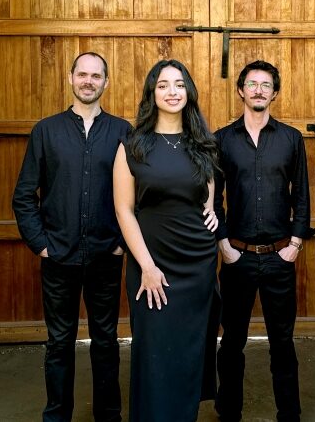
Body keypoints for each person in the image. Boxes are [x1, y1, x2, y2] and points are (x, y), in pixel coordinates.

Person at [12, 52, 130, 422]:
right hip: (59, 256)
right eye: (82, 74)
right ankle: (57, 416)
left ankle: (108, 415)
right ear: (70, 78)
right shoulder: (46, 131)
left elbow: (138, 194)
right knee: (60, 342)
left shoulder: (123, 132)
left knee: (106, 340)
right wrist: (41, 245)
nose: (88, 81)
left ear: (106, 82)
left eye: (96, 76)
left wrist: (121, 243)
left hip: (105, 254)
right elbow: (24, 195)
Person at [112, 59, 221, 422]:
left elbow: (207, 183)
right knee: (155, 352)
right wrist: (146, 266)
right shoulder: (132, 145)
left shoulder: (203, 143)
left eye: (179, 84)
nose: (172, 92)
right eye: (163, 85)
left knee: (189, 353)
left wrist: (210, 207)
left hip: (197, 264)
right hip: (152, 264)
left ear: (188, 92)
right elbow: (124, 210)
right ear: (152, 94)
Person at [213, 60, 311, 422]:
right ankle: (229, 411)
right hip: (237, 257)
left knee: (282, 343)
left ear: (274, 93)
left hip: (278, 257)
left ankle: (289, 414)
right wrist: (224, 245)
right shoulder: (222, 140)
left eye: (265, 85)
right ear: (241, 91)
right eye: (252, 84)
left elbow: (302, 195)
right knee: (232, 341)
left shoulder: (290, 139)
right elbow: (212, 198)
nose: (258, 90)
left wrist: (295, 245)